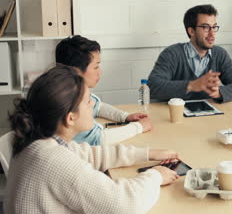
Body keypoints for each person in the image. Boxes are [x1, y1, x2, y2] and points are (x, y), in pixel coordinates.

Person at [5, 65, 180, 213]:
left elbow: (91, 154)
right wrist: (155, 176)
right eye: (88, 101)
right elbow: (125, 204)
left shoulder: (38, 142)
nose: (93, 105)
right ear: (70, 117)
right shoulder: (54, 160)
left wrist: (148, 154)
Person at [56, 35, 152, 146]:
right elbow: (99, 139)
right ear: (74, 71)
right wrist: (139, 127)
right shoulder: (67, 102)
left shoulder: (68, 89)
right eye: (96, 67)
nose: (100, 72)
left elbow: (98, 107)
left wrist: (125, 117)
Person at [147, 4, 232, 103]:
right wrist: (192, 85)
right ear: (191, 31)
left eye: (214, 27)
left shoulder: (220, 54)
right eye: (205, 27)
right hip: (175, 114)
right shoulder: (172, 54)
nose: (212, 34)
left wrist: (219, 93)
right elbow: (153, 86)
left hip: (207, 112)